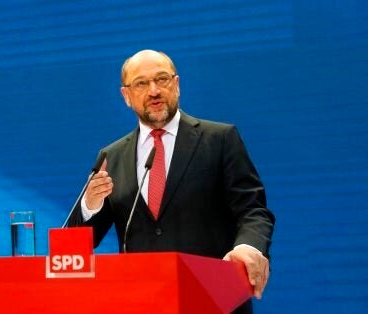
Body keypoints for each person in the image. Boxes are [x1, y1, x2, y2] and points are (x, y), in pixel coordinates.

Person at [67, 49, 275, 313]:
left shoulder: (220, 139)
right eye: (141, 83)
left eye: (162, 79)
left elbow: (253, 211)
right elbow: (75, 244)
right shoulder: (112, 157)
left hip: (213, 299)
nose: (154, 90)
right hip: (141, 302)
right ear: (126, 96)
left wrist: (247, 247)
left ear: (176, 85)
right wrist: (90, 204)